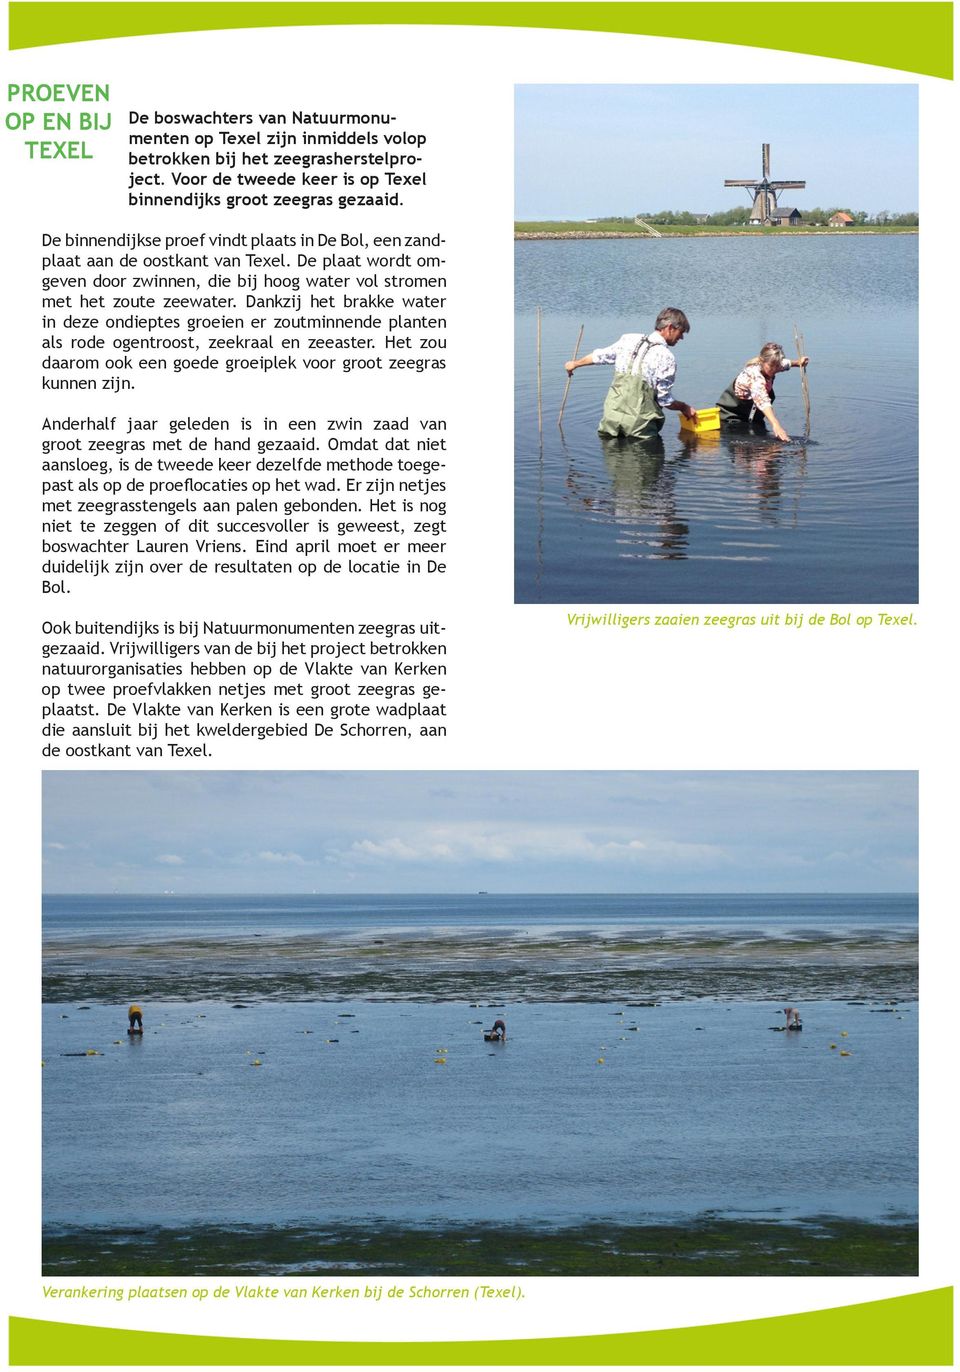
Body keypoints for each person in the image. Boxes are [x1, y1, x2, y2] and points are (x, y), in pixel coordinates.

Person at [564, 307, 697, 440]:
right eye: (681, 332)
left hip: (611, 421)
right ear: (670, 328)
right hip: (640, 428)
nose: (682, 337)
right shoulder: (666, 357)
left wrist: (575, 364)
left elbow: (599, 356)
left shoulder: (628, 339)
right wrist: (683, 407)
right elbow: (665, 400)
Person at [716, 343, 809, 442]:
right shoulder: (754, 376)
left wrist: (798, 363)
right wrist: (776, 425)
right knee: (762, 447)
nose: (774, 369)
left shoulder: (772, 365)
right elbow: (763, 401)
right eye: (771, 366)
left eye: (777, 365)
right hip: (731, 418)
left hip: (751, 417)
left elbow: (784, 364)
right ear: (761, 361)